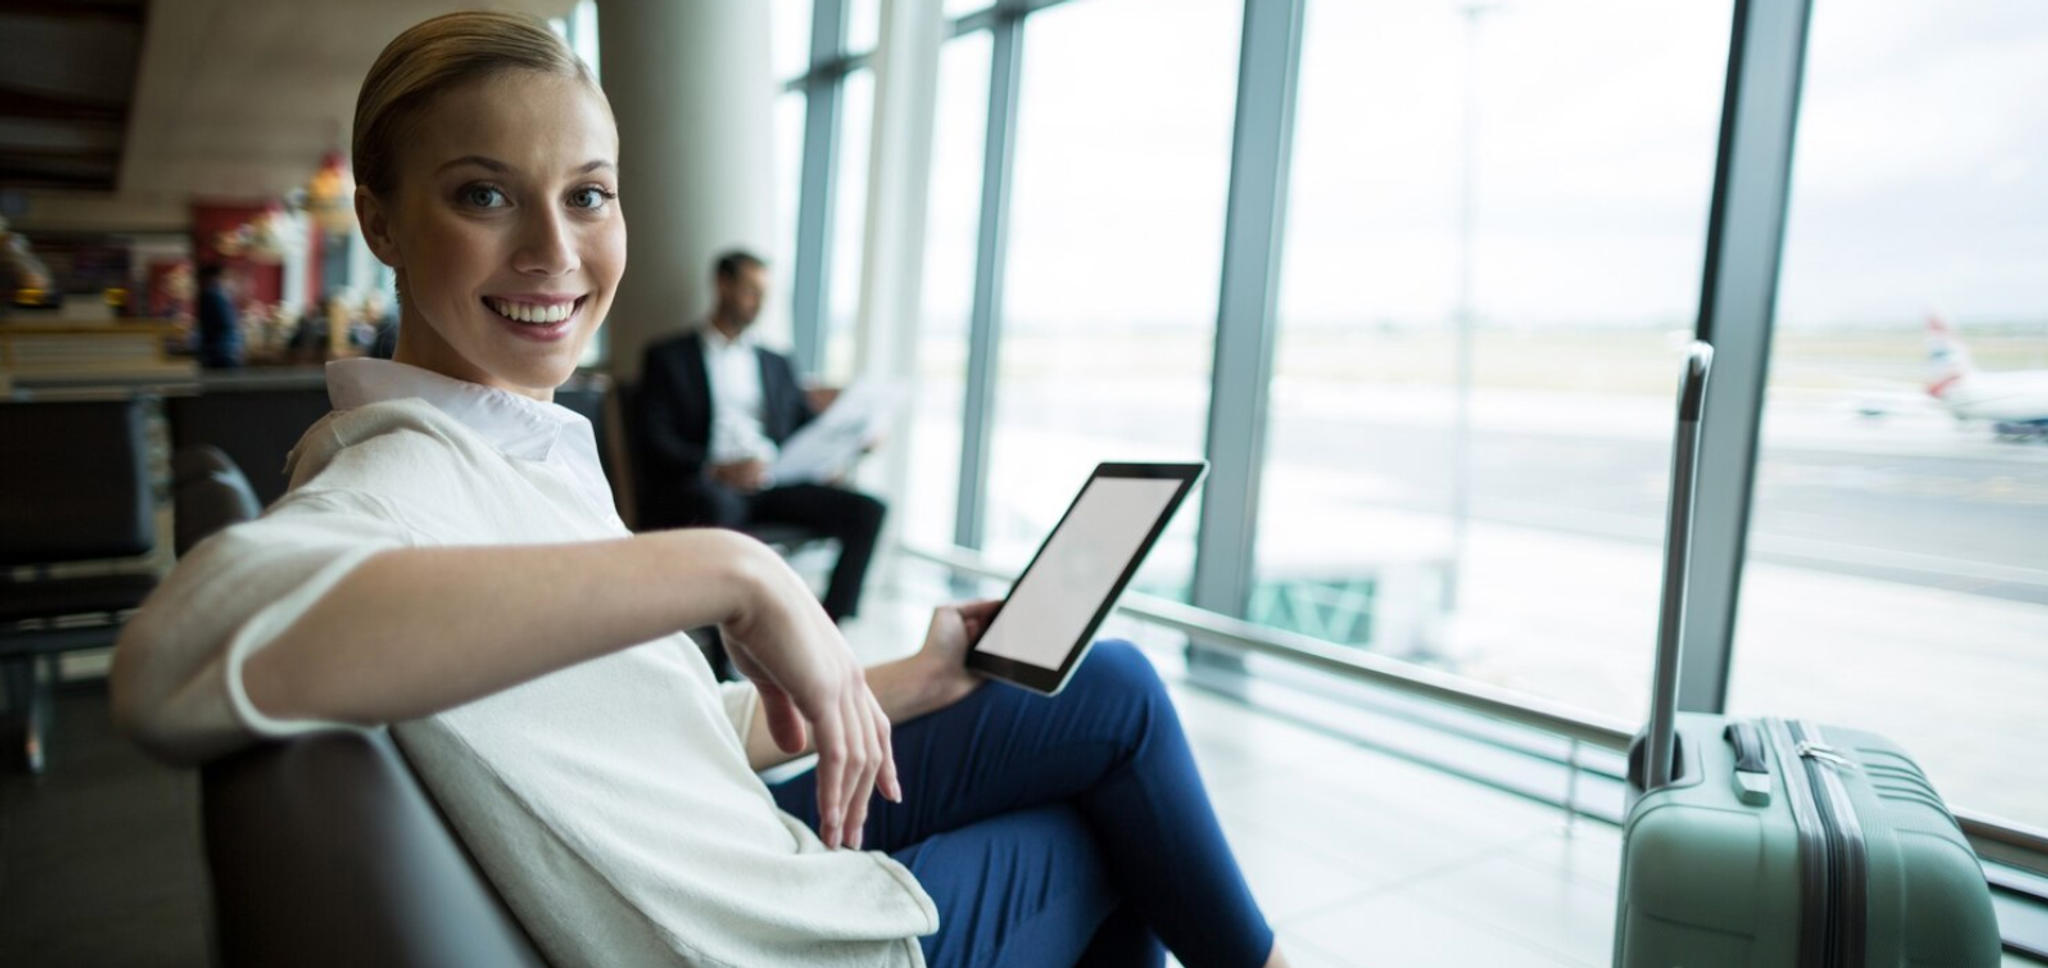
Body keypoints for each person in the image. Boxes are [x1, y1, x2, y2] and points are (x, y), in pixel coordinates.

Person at [109, 12, 1288, 968]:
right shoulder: (396, 478)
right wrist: (734, 566)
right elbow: (168, 657)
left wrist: (895, 678)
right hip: (761, 928)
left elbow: (615, 732)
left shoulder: (507, 450)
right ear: (378, 220)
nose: (554, 251)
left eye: (588, 193)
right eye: (483, 194)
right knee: (1106, 831)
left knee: (1108, 686)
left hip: (738, 841)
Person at [638, 250, 884, 623]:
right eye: (751, 291)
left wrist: (853, 442)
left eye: (764, 294)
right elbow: (654, 439)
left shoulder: (776, 362)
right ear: (722, 284)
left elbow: (806, 427)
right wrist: (717, 470)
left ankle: (828, 625)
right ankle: (727, 644)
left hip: (774, 482)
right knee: (718, 510)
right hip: (713, 486)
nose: (759, 303)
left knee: (868, 511)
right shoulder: (669, 357)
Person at [194, 263, 243, 368]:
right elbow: (227, 325)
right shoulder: (214, 296)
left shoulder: (214, 295)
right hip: (221, 352)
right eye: (225, 277)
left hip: (218, 351)